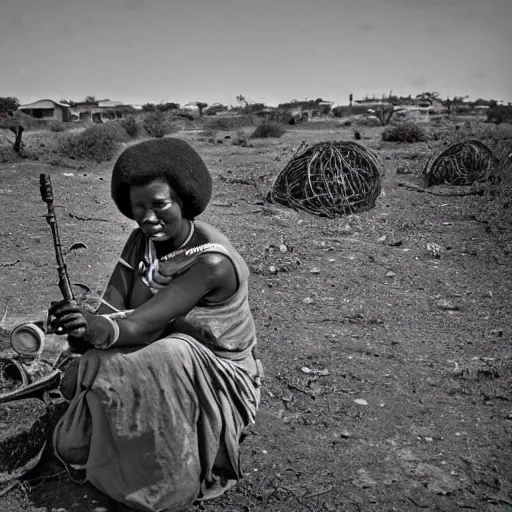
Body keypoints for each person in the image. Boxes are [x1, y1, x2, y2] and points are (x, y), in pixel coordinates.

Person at [48, 138, 262, 512]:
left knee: (169, 351)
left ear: (184, 199)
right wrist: (80, 325)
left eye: (160, 205)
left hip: (213, 375)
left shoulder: (211, 263)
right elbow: (111, 310)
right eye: (138, 208)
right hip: (148, 353)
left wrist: (98, 330)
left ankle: (164, 480)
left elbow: (143, 326)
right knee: (100, 363)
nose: (148, 218)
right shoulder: (140, 243)